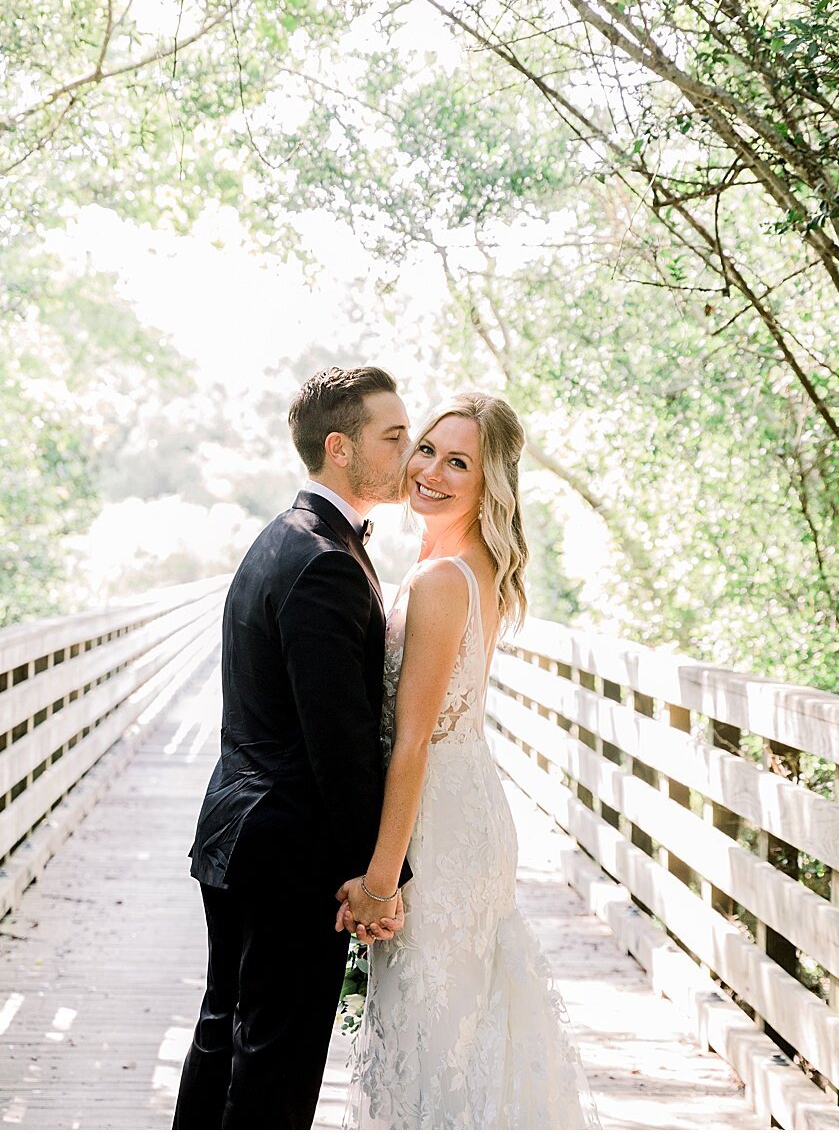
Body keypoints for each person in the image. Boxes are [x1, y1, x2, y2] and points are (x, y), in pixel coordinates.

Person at [339, 391, 596, 1128]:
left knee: (434, 1036)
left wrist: (382, 882)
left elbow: (414, 740)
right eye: (426, 449)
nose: (432, 471)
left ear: (490, 485)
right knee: (457, 1028)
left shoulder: (443, 579)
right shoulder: (462, 562)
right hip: (467, 806)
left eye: (460, 462)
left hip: (441, 831)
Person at [175, 366, 411, 1130]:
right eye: (395, 436)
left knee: (227, 1033)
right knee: (276, 1055)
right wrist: (381, 876)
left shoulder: (284, 536)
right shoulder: (328, 564)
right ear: (341, 448)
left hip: (236, 829)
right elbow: (337, 744)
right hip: (288, 846)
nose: (410, 453)